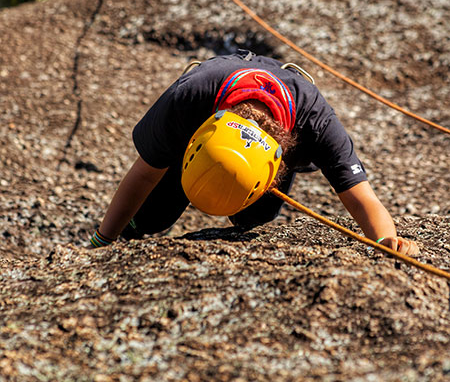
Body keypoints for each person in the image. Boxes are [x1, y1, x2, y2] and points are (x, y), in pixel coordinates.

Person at [90, 51, 419, 256]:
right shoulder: (190, 97)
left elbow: (360, 196)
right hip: (203, 121)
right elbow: (146, 172)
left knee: (254, 218)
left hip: (279, 138)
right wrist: (106, 238)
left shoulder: (316, 124)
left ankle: (249, 205)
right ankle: (138, 225)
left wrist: (387, 241)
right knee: (151, 216)